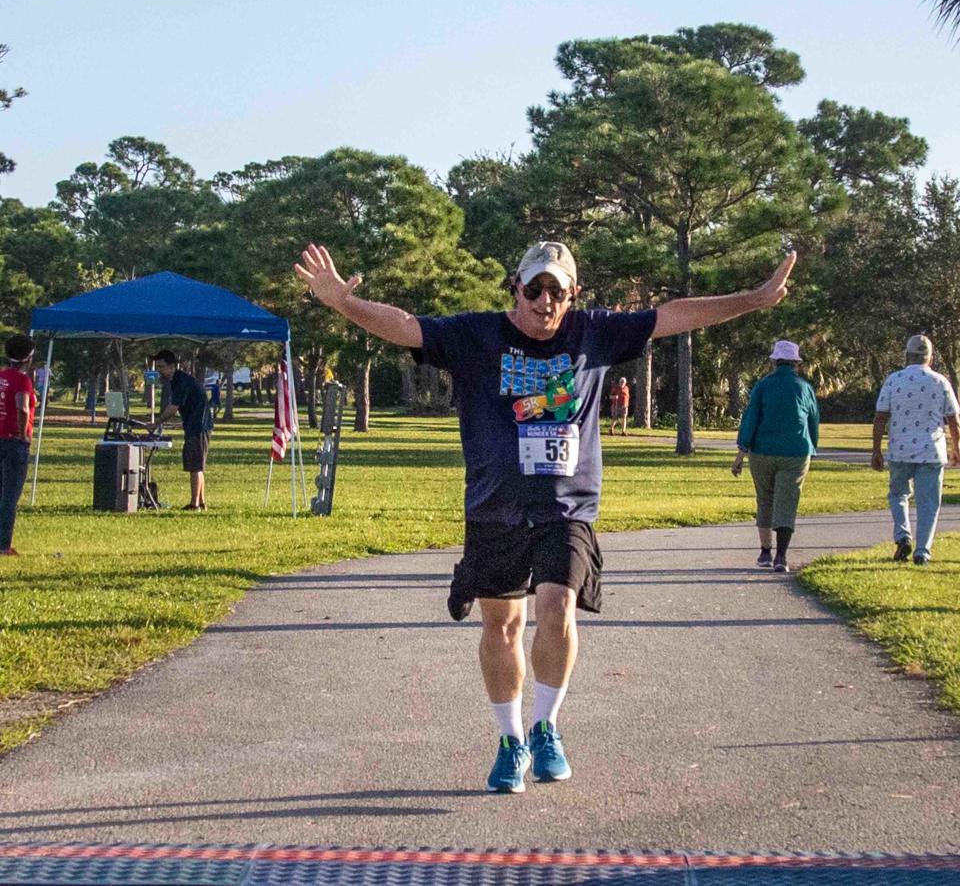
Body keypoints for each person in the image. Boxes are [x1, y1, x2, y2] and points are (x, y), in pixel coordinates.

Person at [295, 239, 796, 794]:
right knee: (501, 625)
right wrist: (343, 303)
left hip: (566, 507)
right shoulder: (475, 336)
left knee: (558, 607)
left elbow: (677, 315)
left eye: (556, 290)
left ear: (572, 294)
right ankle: (510, 741)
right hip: (497, 508)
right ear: (516, 287)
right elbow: (407, 326)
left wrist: (751, 299)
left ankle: (545, 727)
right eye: (533, 288)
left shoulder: (594, 333)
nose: (543, 301)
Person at [731, 340, 820, 574]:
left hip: (762, 451)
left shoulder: (762, 386)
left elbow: (750, 420)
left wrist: (741, 453)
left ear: (774, 362)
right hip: (796, 451)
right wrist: (812, 447)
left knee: (765, 499)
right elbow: (813, 422)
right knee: (787, 500)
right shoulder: (805, 388)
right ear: (796, 364)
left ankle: (765, 552)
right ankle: (782, 555)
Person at [872, 334, 960, 566]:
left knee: (898, 495)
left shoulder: (894, 380)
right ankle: (922, 551)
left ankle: (902, 536)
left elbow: (880, 417)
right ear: (930, 357)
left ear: (907, 356)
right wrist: (956, 447)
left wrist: (876, 450)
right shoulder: (940, 381)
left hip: (900, 449)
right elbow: (953, 419)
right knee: (928, 502)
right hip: (932, 449)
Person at [147, 349, 213, 511]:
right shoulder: (178, 380)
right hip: (196, 426)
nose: (159, 370)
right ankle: (201, 502)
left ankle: (194, 504)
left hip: (198, 427)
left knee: (194, 467)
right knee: (197, 466)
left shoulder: (181, 381)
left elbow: (173, 408)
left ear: (171, 366)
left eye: (162, 367)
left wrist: (156, 423)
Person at [0, 334, 37, 556]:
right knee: (10, 496)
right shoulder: (22, 380)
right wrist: (23, 434)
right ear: (28, 358)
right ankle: (3, 545)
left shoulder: (2, 376)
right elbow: (22, 407)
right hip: (14, 442)